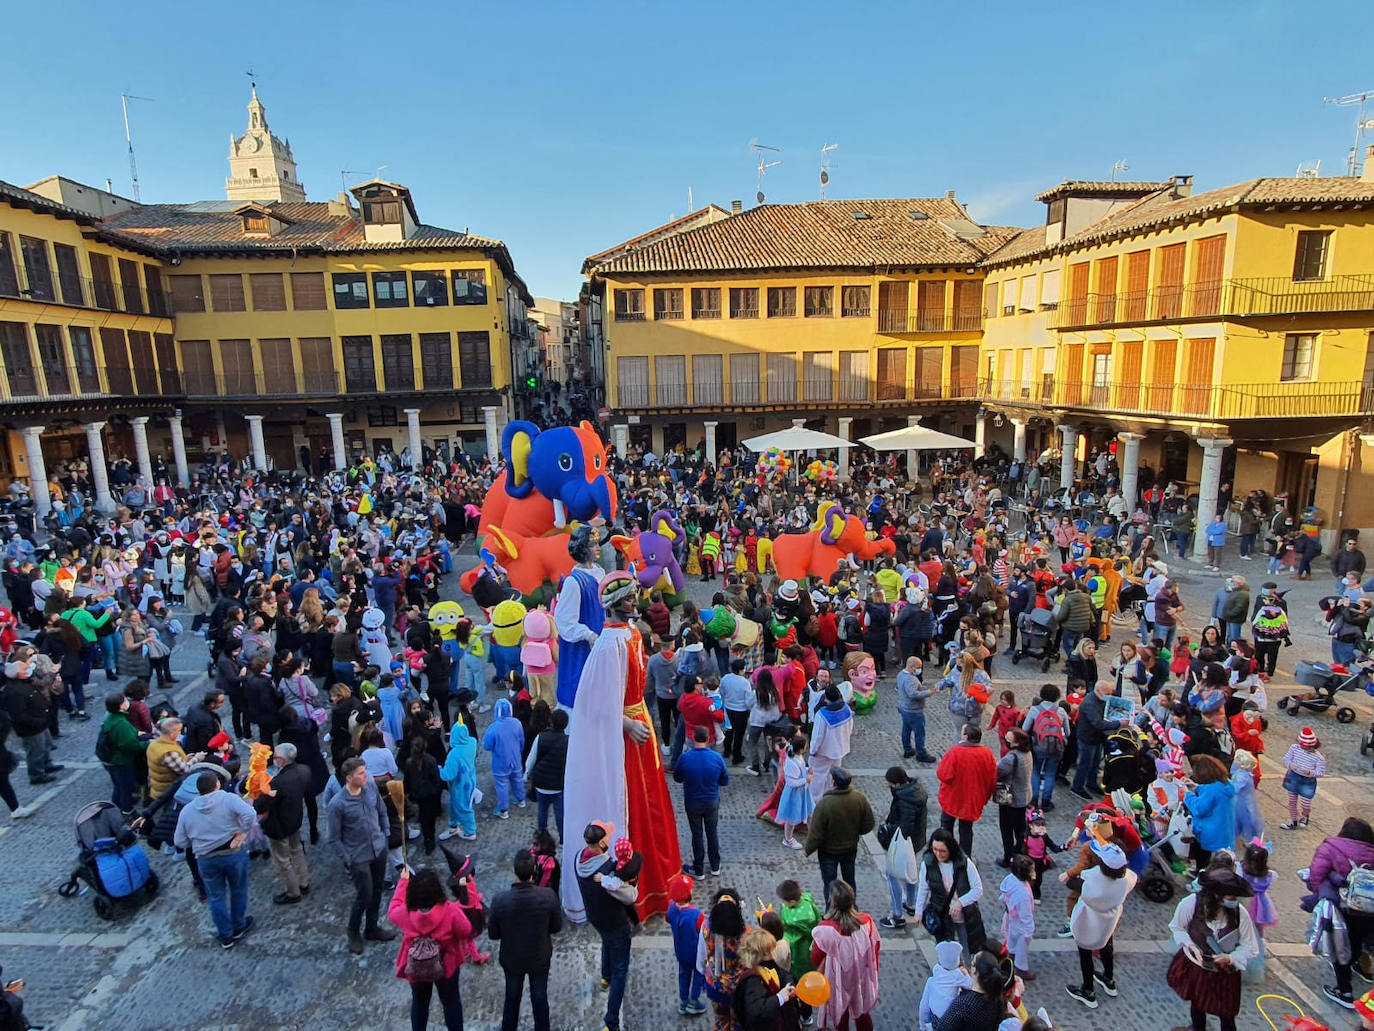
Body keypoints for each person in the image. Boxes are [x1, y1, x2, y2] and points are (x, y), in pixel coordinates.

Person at [561, 569, 682, 923]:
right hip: (629, 732)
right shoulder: (608, 644)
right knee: (635, 803)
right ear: (614, 606)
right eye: (628, 599)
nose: (635, 602)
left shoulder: (630, 633)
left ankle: (661, 876)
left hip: (640, 723)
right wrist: (627, 723)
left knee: (653, 801)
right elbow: (596, 703)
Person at [1166, 869, 1260, 1031]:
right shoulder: (1191, 904)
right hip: (1198, 966)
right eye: (1231, 897)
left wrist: (1230, 958)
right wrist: (1189, 944)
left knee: (1227, 1014)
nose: (1234, 901)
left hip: (1226, 972)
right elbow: (1177, 927)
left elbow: (1250, 946)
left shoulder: (1239, 913)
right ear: (1216, 895)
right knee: (1198, 1004)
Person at [173, 770, 258, 948]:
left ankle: (225, 935)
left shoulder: (187, 811)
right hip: (233, 853)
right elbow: (250, 814)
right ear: (217, 784)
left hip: (206, 858)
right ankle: (239, 926)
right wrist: (242, 832)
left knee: (216, 896)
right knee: (238, 889)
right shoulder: (228, 799)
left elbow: (179, 841)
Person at [327, 756, 398, 954]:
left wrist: (385, 835)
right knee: (364, 895)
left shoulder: (371, 788)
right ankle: (353, 932)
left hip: (378, 849)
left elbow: (382, 811)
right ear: (349, 778)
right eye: (361, 773)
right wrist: (347, 859)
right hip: (358, 857)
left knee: (376, 891)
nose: (365, 775)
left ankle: (372, 928)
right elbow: (333, 838)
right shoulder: (337, 804)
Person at [387, 866, 472, 1031]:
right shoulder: (451, 911)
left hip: (416, 966)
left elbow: (392, 910)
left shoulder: (405, 913)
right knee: (451, 1002)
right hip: (447, 964)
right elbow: (466, 931)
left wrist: (403, 882)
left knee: (419, 1004)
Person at [488, 848, 563, 1031]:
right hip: (539, 957)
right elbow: (556, 927)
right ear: (534, 871)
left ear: (514, 872)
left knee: (512, 998)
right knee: (539, 998)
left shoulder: (500, 900)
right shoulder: (548, 896)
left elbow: (493, 934)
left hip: (512, 959)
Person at [1303, 816, 1374, 1007]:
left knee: (1339, 945)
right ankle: (1359, 965)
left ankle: (1345, 992)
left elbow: (1315, 876)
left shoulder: (1331, 847)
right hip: (1368, 908)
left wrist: (1320, 893)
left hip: (1340, 907)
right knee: (1358, 939)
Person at [575, 820, 637, 1031]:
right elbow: (629, 897)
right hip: (615, 921)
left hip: (595, 916)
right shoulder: (608, 870)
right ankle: (611, 1021)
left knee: (606, 942)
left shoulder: (578, 859)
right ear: (601, 843)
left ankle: (604, 977)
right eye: (607, 837)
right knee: (622, 968)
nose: (610, 839)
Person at [1063, 840, 1137, 1010]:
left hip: (1088, 921)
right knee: (1106, 947)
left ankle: (1088, 990)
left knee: (1085, 954)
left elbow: (1071, 882)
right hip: (1108, 921)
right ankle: (1109, 979)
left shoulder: (1093, 881)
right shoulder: (1127, 880)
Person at [809, 880, 880, 1031]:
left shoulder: (825, 930)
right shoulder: (866, 921)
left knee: (840, 1014)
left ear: (832, 902)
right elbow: (875, 948)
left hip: (838, 979)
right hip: (860, 975)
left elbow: (815, 958)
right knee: (862, 1013)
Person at [803, 767, 874, 906]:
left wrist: (807, 851)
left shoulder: (825, 804)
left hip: (828, 852)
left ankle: (831, 911)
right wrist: (855, 832)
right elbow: (868, 824)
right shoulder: (859, 798)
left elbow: (816, 833)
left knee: (830, 884)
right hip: (850, 849)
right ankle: (851, 907)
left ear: (834, 782)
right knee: (849, 881)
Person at [254, 741, 313, 905]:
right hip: (295, 818)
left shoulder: (277, 783)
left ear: (280, 760)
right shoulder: (303, 770)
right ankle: (304, 881)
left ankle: (293, 892)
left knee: (283, 860)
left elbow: (260, 806)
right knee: (297, 850)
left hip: (279, 824)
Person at [915, 827, 986, 959]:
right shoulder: (928, 864)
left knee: (968, 948)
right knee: (946, 952)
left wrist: (960, 902)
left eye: (942, 851)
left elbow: (978, 889)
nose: (938, 854)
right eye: (935, 849)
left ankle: (969, 972)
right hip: (942, 914)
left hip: (965, 915)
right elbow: (923, 887)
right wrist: (919, 911)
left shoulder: (965, 863)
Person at [876, 766, 927, 929]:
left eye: (890, 784)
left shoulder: (905, 800)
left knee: (892, 874)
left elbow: (905, 826)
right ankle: (911, 904)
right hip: (916, 840)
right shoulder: (914, 791)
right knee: (911, 872)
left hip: (903, 842)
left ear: (897, 784)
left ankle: (897, 914)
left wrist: (887, 829)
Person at [675, 725, 730, 877]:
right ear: (708, 739)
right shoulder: (716, 758)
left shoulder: (685, 758)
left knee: (697, 834)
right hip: (711, 800)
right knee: (712, 833)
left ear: (693, 738)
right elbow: (724, 780)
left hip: (692, 801)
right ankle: (715, 865)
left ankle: (698, 868)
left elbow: (677, 777)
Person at [936, 724, 996, 856]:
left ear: (966, 736)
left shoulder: (955, 752)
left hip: (953, 797)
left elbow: (944, 775)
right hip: (972, 798)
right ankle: (965, 857)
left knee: (946, 825)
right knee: (966, 829)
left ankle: (946, 852)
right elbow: (992, 777)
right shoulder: (987, 753)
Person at [732, 926, 800, 1031]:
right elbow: (757, 1010)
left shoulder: (766, 964)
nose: (773, 956)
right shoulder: (752, 980)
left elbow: (783, 974)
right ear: (758, 955)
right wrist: (779, 998)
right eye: (769, 952)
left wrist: (789, 984)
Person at [933, 950, 1014, 1031]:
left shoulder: (963, 1004)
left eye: (972, 962)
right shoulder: (998, 998)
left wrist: (933, 1017)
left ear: (975, 970)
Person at [1071, 680, 1124, 799]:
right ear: (1099, 691)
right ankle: (1077, 786)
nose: (1109, 695)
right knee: (1085, 764)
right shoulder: (1089, 704)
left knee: (1095, 763)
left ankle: (1091, 783)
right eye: (1107, 693)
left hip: (1097, 737)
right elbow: (1098, 723)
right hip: (1087, 738)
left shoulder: (1098, 699)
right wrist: (1118, 723)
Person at [96, 693, 147, 813]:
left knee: (118, 785)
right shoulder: (121, 723)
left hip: (109, 759)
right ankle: (126, 811)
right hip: (120, 760)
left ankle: (114, 808)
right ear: (121, 706)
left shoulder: (110, 717)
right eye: (125, 701)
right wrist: (147, 744)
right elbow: (130, 745)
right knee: (126, 787)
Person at [523, 708, 569, 840]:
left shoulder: (541, 737)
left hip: (541, 784)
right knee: (560, 814)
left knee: (542, 812)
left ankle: (541, 837)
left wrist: (526, 775)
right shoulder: (568, 741)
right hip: (558, 785)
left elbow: (531, 759)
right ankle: (563, 838)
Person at [667, 874, 709, 1017]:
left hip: (681, 952)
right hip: (696, 954)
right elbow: (704, 931)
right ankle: (694, 1001)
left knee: (683, 975)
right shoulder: (696, 915)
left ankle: (683, 1001)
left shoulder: (671, 909)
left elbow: (668, 919)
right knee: (698, 976)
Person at [1021, 683, 1066, 811]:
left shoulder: (1035, 710)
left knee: (1035, 771)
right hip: (1056, 747)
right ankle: (1046, 802)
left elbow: (1025, 728)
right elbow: (1067, 732)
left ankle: (1033, 800)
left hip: (1038, 746)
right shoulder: (1061, 711)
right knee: (1050, 774)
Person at [808, 684, 854, 805]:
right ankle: (831, 798)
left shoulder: (822, 715)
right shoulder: (847, 710)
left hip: (823, 752)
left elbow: (817, 737)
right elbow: (850, 729)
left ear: (826, 698)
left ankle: (815, 802)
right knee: (832, 776)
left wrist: (812, 751)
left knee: (818, 776)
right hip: (839, 750)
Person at [481, 698, 526, 821]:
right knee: (517, 778)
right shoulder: (517, 723)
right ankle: (521, 799)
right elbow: (522, 741)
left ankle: (503, 810)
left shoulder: (494, 728)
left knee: (502, 785)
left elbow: (487, 745)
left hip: (500, 761)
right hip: (516, 758)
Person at [994, 728, 1033, 868]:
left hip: (1011, 798)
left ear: (1016, 743)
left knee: (1006, 829)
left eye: (1008, 739)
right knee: (1020, 828)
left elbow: (997, 771)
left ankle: (1008, 857)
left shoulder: (1012, 758)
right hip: (1025, 796)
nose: (1006, 740)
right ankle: (1020, 851)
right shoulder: (1028, 753)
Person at [919, 939, 973, 1031]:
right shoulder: (959, 975)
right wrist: (965, 972)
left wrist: (922, 1025)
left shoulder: (931, 981)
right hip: (951, 1022)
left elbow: (924, 1007)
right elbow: (970, 984)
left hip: (934, 1020)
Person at [1280, 725, 1325, 830]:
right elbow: (1286, 759)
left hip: (1307, 781)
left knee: (1306, 804)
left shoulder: (1318, 757)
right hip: (1293, 776)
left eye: (1307, 746)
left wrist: (1310, 772)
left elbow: (1321, 772)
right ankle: (1293, 820)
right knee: (1292, 800)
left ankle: (1305, 815)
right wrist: (1290, 765)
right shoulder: (1294, 748)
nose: (1304, 748)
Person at [1000, 854, 1037, 980]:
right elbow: (1025, 915)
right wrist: (1029, 930)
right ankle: (1021, 968)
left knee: (1012, 939)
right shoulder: (1023, 894)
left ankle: (1010, 959)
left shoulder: (1010, 880)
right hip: (1021, 924)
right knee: (1021, 946)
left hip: (1012, 917)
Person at [439, 721, 477, 842]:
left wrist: (438, 768)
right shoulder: (472, 742)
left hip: (459, 786)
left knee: (463, 807)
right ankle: (453, 826)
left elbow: (448, 775)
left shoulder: (454, 754)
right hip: (471, 780)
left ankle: (470, 831)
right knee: (455, 805)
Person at [896, 656, 937, 762]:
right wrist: (929, 692)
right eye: (918, 667)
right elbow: (913, 694)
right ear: (912, 666)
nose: (920, 669)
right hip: (913, 710)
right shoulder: (911, 679)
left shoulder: (901, 675)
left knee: (906, 729)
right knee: (919, 733)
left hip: (904, 708)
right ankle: (921, 754)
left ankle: (908, 749)